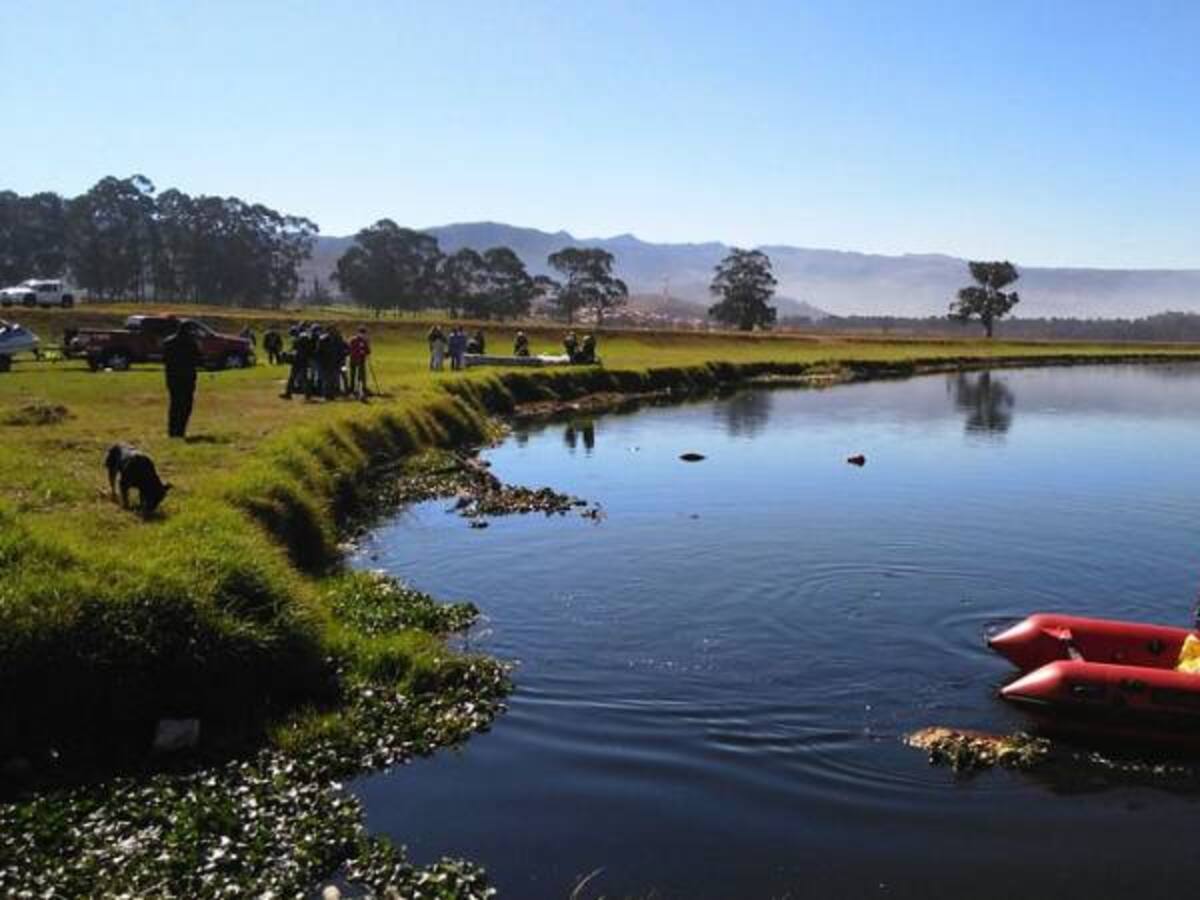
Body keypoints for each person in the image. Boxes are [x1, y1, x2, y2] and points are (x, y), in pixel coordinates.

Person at [162, 321, 202, 438]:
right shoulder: (191, 343)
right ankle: (181, 430)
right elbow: (198, 360)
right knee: (185, 405)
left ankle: (172, 430)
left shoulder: (168, 342)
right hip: (187, 378)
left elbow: (164, 359)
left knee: (174, 404)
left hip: (172, 378)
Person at [282, 324, 313, 399]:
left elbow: (297, 350)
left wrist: (289, 354)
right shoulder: (304, 337)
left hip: (299, 360)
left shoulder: (302, 337)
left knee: (299, 377)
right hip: (301, 360)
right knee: (299, 378)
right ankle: (290, 393)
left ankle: (290, 393)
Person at [348, 327, 371, 399]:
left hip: (361, 360)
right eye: (362, 333)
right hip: (354, 360)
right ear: (358, 333)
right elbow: (350, 349)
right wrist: (359, 352)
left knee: (361, 375)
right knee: (353, 374)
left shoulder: (364, 341)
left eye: (364, 333)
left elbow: (368, 350)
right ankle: (352, 388)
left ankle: (362, 388)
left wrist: (365, 351)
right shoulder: (353, 340)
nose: (363, 335)